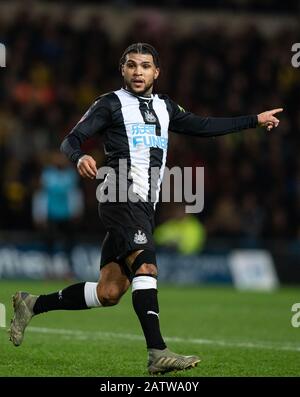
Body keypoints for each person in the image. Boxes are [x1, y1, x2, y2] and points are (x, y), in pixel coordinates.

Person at [9, 42, 283, 375]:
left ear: (157, 72)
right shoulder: (110, 104)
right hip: (120, 193)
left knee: (109, 292)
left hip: (144, 204)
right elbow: (71, 139)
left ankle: (32, 303)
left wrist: (254, 120)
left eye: (145, 66)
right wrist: (79, 157)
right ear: (122, 70)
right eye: (131, 65)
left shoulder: (166, 107)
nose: (138, 72)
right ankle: (157, 352)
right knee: (147, 270)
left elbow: (204, 126)